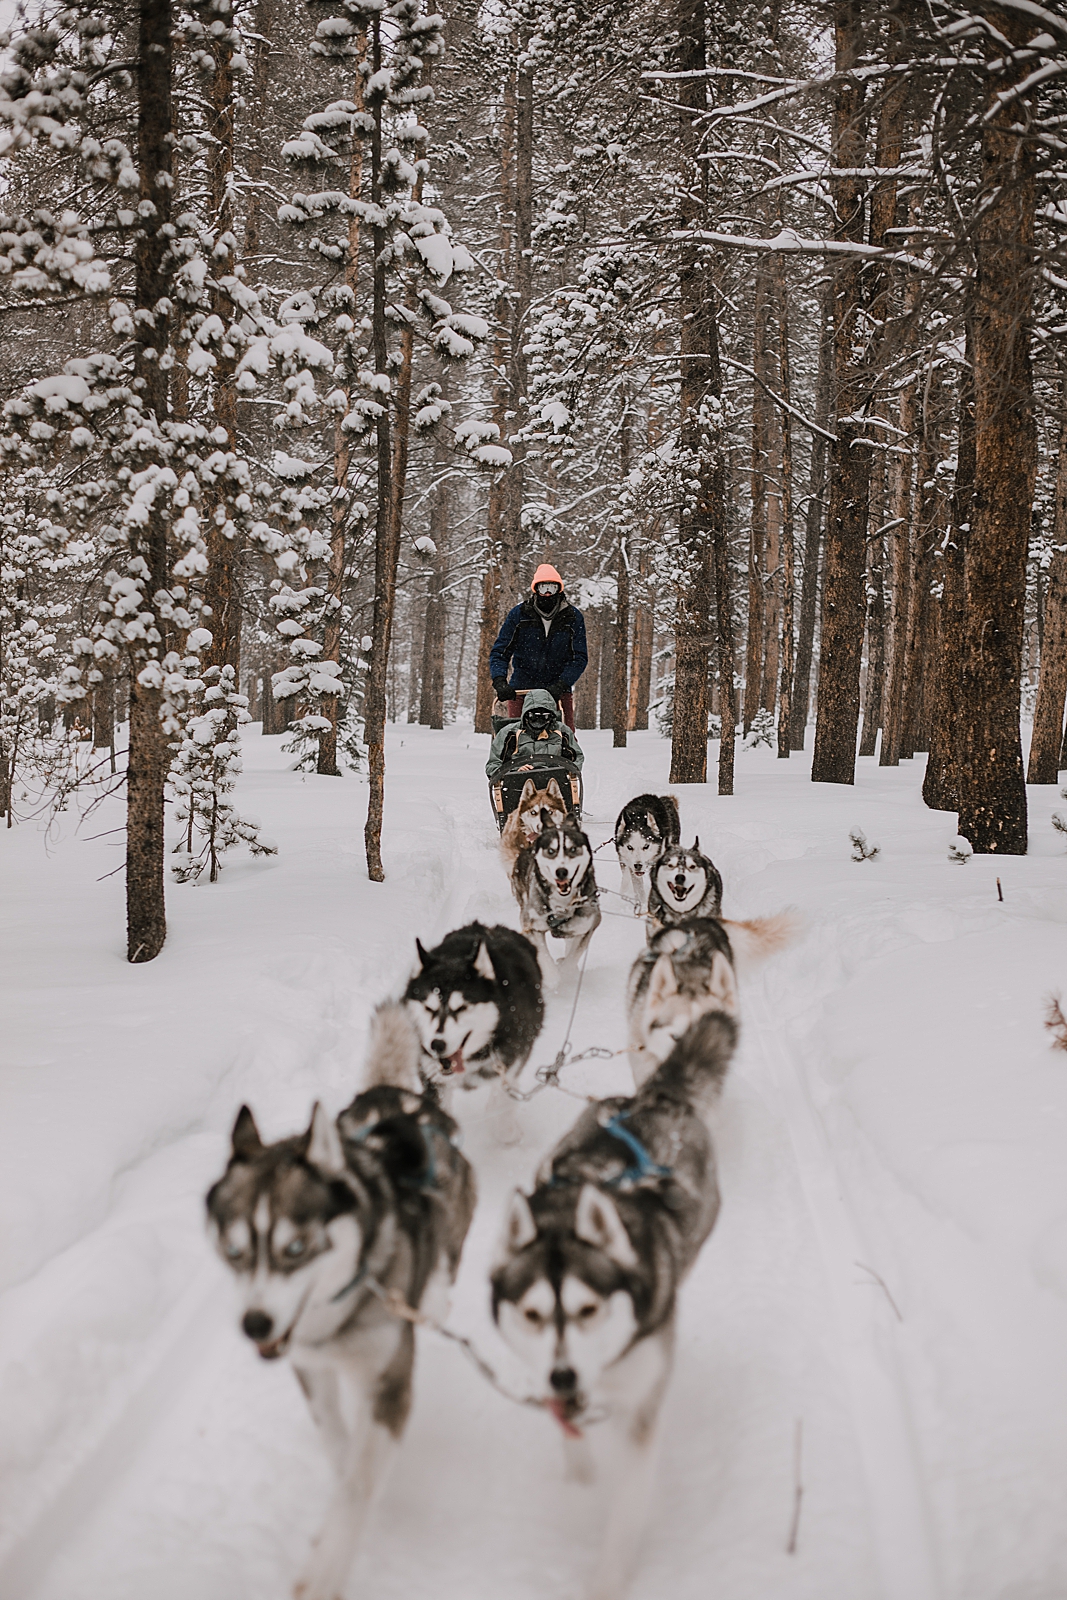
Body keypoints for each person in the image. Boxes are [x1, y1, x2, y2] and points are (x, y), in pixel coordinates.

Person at [488, 564, 587, 732]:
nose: (547, 593)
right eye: (543, 588)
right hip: (522, 688)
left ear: (559, 590)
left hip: (558, 689)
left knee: (565, 738)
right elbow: (500, 651)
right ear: (536, 589)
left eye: (552, 588)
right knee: (515, 736)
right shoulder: (519, 615)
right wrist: (499, 680)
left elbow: (579, 657)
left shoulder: (572, 617)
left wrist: (562, 684)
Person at [485, 688, 584, 782]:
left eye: (544, 716)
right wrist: (513, 771)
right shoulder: (509, 733)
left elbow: (576, 759)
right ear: (526, 715)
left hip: (556, 783)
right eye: (534, 716)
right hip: (517, 785)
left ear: (551, 716)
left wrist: (562, 771)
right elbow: (493, 765)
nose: (538, 721)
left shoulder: (562, 731)